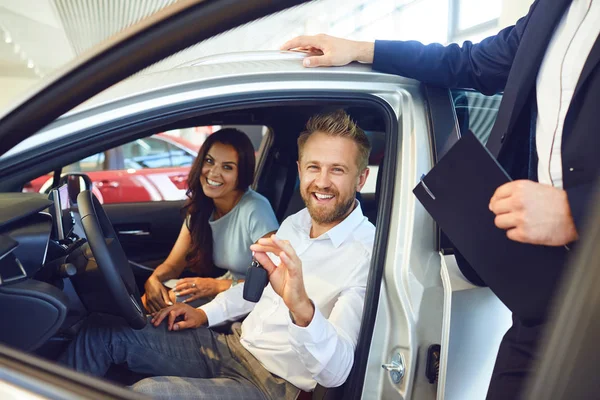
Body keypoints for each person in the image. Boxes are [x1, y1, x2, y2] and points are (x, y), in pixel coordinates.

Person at [281, 1, 600, 398]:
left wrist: (579, 212)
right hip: (543, 286)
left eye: (338, 169)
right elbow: (470, 63)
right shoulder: (554, 9)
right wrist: (361, 50)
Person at [59, 110, 375, 400]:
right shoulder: (296, 222)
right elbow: (255, 291)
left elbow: (337, 372)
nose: (321, 181)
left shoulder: (366, 257)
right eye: (313, 167)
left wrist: (302, 309)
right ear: (300, 170)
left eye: (337, 170)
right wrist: (206, 313)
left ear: (360, 179)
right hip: (232, 344)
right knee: (102, 332)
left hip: (272, 385)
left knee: (147, 394)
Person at [142, 128, 279, 313]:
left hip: (253, 301)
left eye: (227, 167)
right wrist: (154, 280)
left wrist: (216, 286)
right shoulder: (201, 208)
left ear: (242, 174)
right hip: (224, 291)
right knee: (150, 301)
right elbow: (173, 265)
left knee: (166, 310)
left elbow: (275, 280)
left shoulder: (256, 209)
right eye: (209, 161)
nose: (213, 173)